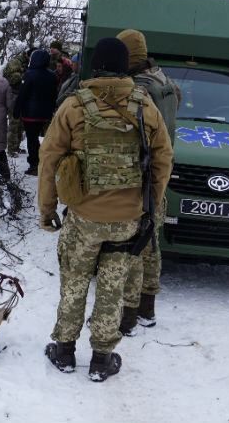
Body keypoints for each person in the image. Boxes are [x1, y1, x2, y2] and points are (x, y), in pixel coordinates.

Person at [38, 37, 173, 382]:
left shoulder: (73, 105)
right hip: (127, 220)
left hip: (83, 217)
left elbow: (49, 158)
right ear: (125, 66)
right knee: (113, 287)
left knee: (74, 281)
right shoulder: (146, 105)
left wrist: (47, 208)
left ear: (95, 65)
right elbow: (162, 160)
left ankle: (65, 350)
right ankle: (101, 358)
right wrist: (151, 206)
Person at [115, 29, 182, 335]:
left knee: (134, 246)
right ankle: (147, 308)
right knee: (152, 243)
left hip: (140, 178)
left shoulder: (139, 89)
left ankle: (127, 316)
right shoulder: (164, 81)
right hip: (160, 174)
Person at [12, 49, 56, 176]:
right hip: (46, 113)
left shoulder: (29, 74)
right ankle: (43, 160)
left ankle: (34, 163)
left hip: (30, 114)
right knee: (43, 138)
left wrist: (16, 110)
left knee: (32, 139)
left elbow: (22, 94)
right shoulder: (52, 75)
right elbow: (54, 95)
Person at [3, 48, 34, 156]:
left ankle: (16, 146)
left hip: (23, 95)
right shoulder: (16, 62)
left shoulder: (28, 63)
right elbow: (10, 78)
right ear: (27, 55)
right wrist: (24, 75)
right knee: (14, 122)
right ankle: (11, 149)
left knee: (21, 123)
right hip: (14, 94)